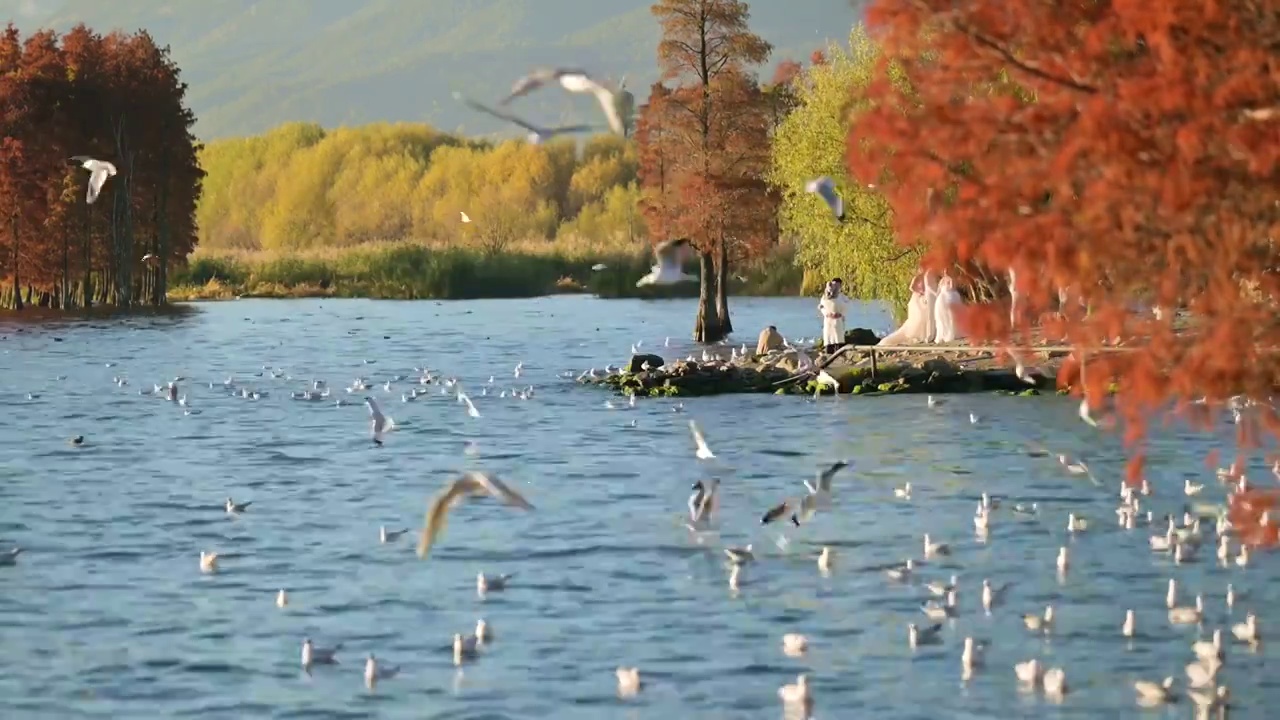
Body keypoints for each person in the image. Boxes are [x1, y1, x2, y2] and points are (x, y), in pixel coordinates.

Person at [817, 278, 850, 355]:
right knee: (829, 339)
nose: (836, 286)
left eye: (838, 284)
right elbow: (821, 307)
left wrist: (841, 314)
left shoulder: (842, 297)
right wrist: (826, 313)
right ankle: (829, 356)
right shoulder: (825, 296)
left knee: (838, 338)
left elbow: (847, 306)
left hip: (837, 320)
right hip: (828, 321)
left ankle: (840, 356)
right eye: (834, 284)